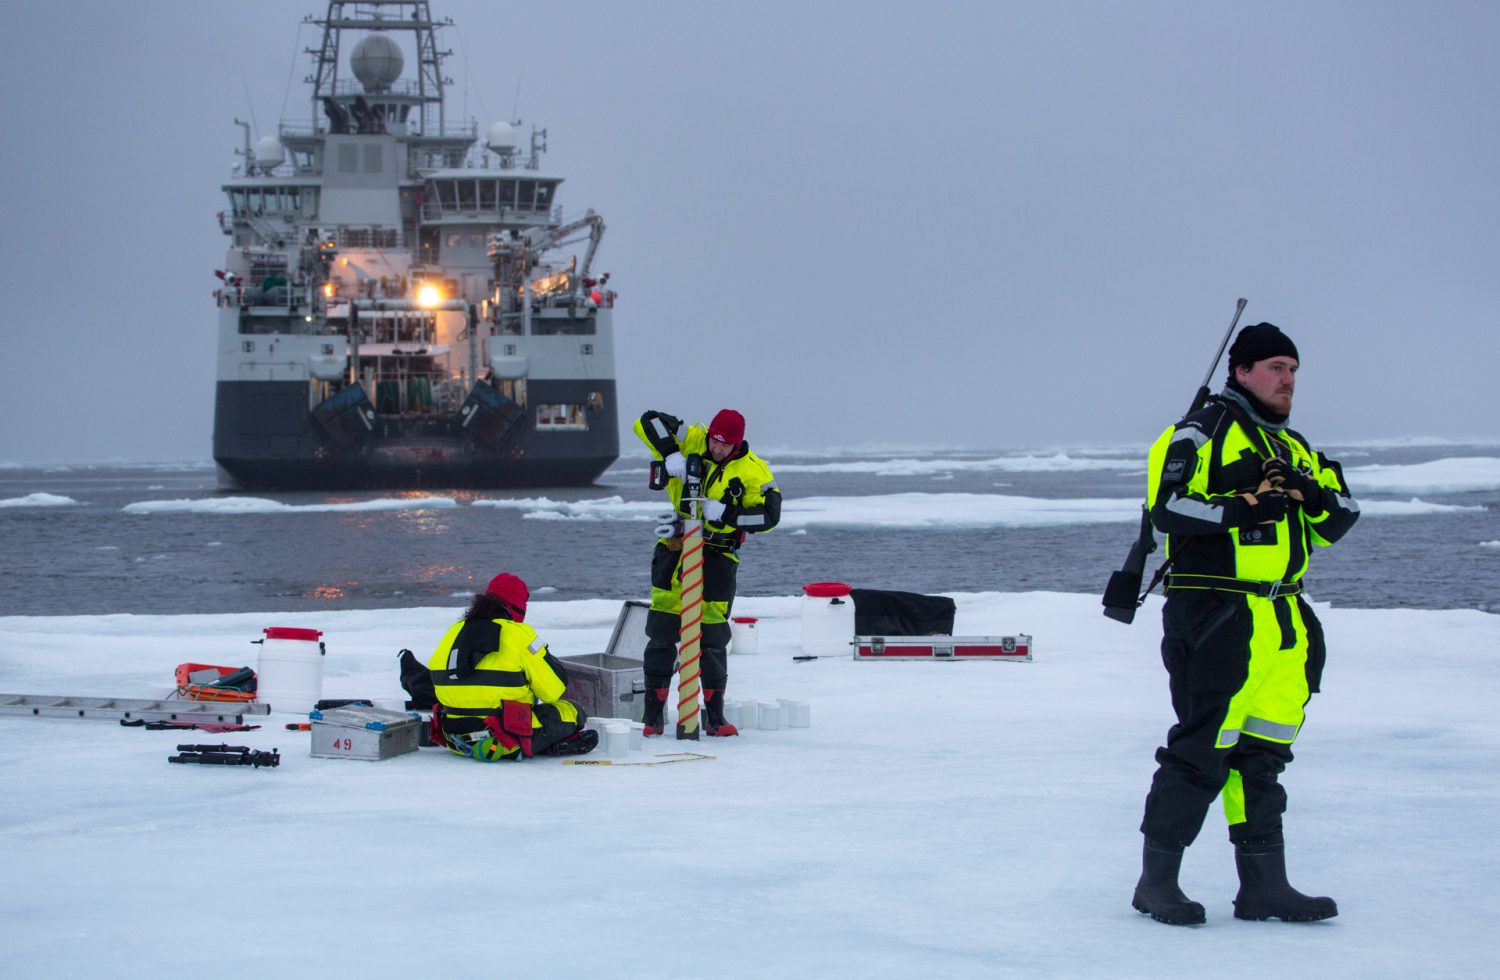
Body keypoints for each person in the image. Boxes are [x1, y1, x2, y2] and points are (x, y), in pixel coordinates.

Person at [1133, 322, 1360, 925]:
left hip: (1284, 619)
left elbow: (1341, 518)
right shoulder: (1198, 433)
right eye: (1276, 368)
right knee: (1201, 749)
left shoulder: (1296, 448)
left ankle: (1264, 886)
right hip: (1217, 612)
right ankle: (1156, 884)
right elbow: (1168, 508)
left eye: (1293, 370)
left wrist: (1308, 493)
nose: (1288, 380)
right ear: (1241, 371)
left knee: (1263, 755)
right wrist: (1249, 504)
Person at [633, 408, 781, 736]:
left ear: (737, 444)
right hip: (676, 550)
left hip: (718, 556)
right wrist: (671, 454)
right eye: (714, 440)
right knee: (662, 632)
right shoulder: (693, 438)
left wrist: (727, 513)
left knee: (712, 638)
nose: (716, 448)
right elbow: (647, 420)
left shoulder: (754, 471)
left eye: (724, 444)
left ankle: (715, 717)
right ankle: (652, 716)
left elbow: (769, 517)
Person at [424, 572, 597, 761]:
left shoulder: (454, 631)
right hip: (504, 740)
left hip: (456, 739)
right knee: (573, 711)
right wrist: (543, 656)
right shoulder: (519, 634)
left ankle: (542, 746)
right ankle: (544, 746)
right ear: (517, 606)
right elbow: (553, 691)